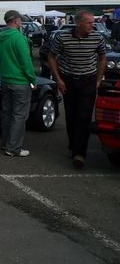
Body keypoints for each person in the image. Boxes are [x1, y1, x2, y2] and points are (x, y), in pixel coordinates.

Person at [47, 10, 107, 168]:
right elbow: (51, 56)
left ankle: (80, 153)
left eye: (92, 22)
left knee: (84, 117)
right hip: (69, 81)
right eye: (89, 23)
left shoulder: (97, 37)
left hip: (88, 80)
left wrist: (98, 80)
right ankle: (73, 145)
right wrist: (58, 79)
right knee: (71, 116)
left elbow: (102, 58)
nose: (92, 25)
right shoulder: (62, 37)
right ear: (79, 23)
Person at [0, 10, 37, 157]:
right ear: (16, 21)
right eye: (20, 20)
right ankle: (13, 148)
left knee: (7, 113)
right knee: (19, 115)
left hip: (5, 80)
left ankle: (6, 143)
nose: (21, 23)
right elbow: (26, 62)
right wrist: (33, 79)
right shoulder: (19, 38)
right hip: (20, 82)